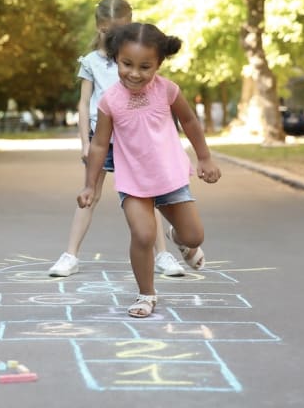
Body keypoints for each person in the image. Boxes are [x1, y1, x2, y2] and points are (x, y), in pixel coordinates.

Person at [77, 22, 222, 318]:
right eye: (127, 64)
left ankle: (179, 240)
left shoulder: (167, 90)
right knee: (143, 235)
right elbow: (99, 144)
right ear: (116, 58)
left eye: (145, 66)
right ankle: (146, 294)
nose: (134, 73)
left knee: (194, 236)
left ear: (158, 64)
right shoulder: (110, 101)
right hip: (134, 182)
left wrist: (205, 158)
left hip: (170, 177)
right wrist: (90, 185)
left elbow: (190, 122)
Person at [49, 0, 186, 278]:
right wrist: (85, 143)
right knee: (90, 194)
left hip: (135, 138)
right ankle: (70, 255)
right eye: (110, 31)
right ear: (99, 28)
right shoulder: (91, 62)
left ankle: (163, 255)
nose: (115, 37)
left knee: (149, 196)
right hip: (103, 137)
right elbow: (84, 103)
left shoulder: (136, 58)